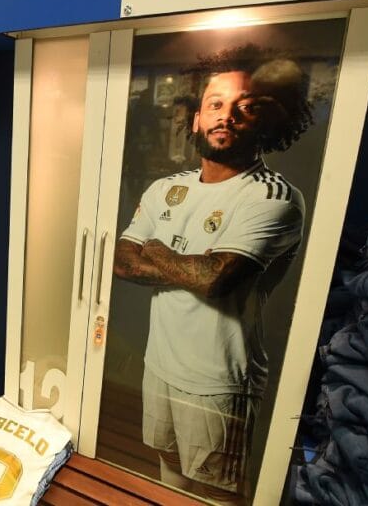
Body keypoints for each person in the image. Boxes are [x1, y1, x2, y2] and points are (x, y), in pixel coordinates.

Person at [113, 47, 313, 504]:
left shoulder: (274, 197)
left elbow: (214, 279)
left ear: (263, 120)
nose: (228, 116)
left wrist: (159, 249)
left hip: (218, 380)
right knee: (169, 471)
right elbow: (123, 261)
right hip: (160, 363)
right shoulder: (168, 187)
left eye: (244, 106)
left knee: (215, 492)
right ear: (196, 117)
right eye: (216, 104)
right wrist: (188, 264)